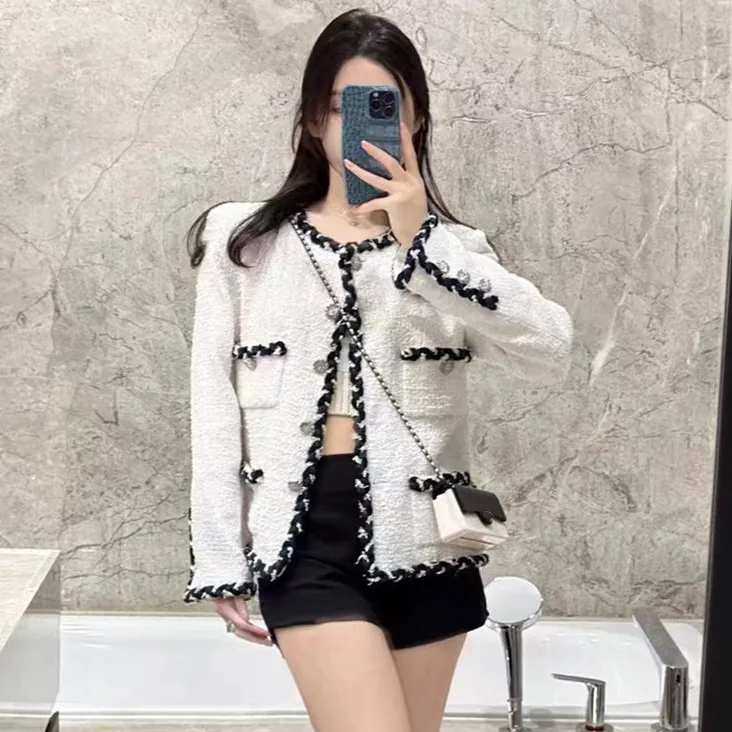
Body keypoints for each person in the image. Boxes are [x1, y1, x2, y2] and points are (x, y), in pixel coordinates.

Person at [183, 8, 573, 732]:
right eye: (341, 106)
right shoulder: (245, 241)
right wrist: (218, 554)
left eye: (384, 106)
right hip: (303, 539)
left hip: (428, 541)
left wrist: (422, 240)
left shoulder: (453, 250)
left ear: (415, 119)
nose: (358, 125)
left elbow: (550, 349)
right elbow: (212, 403)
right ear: (313, 119)